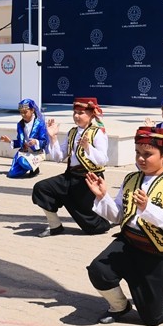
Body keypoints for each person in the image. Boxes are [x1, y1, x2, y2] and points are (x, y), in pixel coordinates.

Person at [84, 127, 163, 326]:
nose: (141, 158)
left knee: (152, 318)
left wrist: (147, 207)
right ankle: (119, 306)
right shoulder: (131, 179)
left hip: (157, 254)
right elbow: (118, 215)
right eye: (138, 153)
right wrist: (102, 196)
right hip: (129, 243)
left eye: (148, 154)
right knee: (99, 270)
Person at [31, 97, 112, 237]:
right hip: (70, 177)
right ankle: (55, 225)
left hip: (89, 181)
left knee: (94, 227)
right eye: (75, 112)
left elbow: (103, 161)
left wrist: (88, 148)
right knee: (42, 188)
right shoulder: (72, 132)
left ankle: (111, 218)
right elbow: (58, 157)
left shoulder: (98, 133)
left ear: (91, 114)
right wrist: (53, 138)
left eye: (81, 113)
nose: (76, 116)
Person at [1, 98, 49, 179]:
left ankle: (34, 169)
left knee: (22, 161)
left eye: (25, 112)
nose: (23, 115)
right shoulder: (20, 125)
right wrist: (9, 141)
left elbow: (44, 141)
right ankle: (28, 166)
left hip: (36, 152)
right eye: (21, 112)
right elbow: (20, 141)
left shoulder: (40, 124)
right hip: (24, 151)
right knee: (12, 174)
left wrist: (36, 142)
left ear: (32, 110)